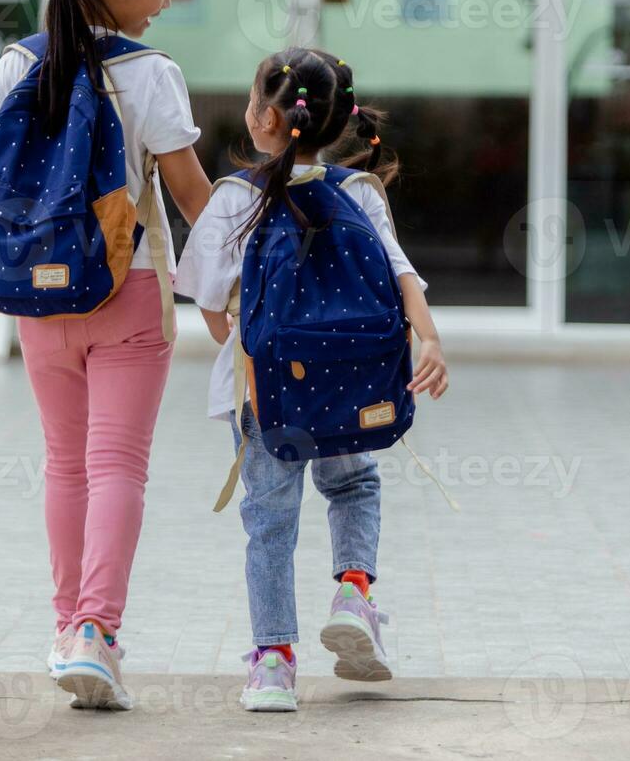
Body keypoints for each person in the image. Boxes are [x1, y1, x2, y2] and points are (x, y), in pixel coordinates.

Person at [0, 0, 212, 710]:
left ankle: (67, 629)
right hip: (124, 289)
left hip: (31, 298)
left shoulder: (9, 69)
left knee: (65, 464)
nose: (168, 0)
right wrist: (247, 276)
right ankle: (97, 630)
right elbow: (194, 196)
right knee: (117, 465)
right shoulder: (150, 74)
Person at [174, 47, 448, 712]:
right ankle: (354, 591)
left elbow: (211, 311)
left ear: (265, 118)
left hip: (265, 394)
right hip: (354, 388)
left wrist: (251, 332)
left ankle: (273, 664)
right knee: (353, 484)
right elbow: (403, 274)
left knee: (269, 522)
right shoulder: (359, 191)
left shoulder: (235, 198)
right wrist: (430, 338)